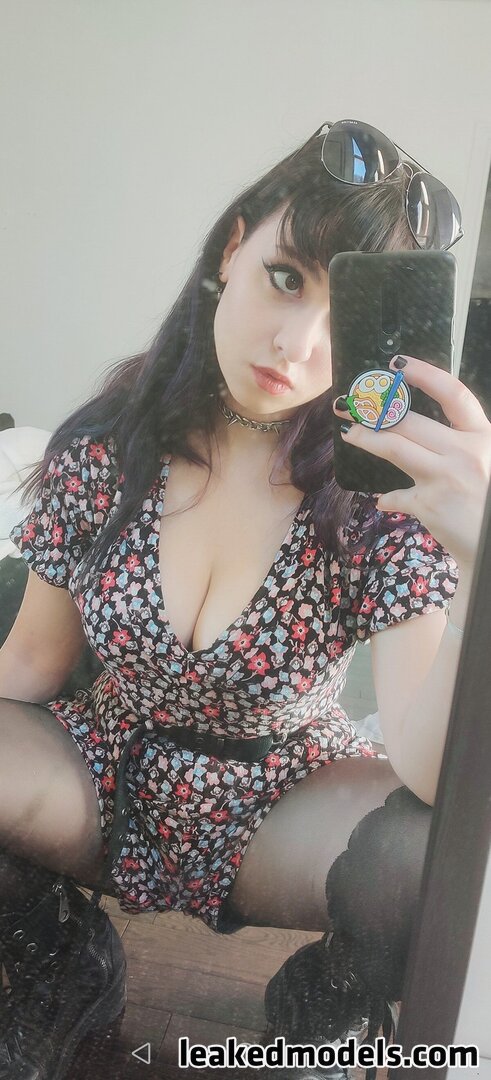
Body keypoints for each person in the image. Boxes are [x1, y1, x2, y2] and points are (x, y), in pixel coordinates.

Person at [0, 119, 489, 1079]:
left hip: (280, 798)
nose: (296, 345)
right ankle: (59, 958)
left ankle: (327, 996)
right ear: (233, 247)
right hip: (102, 773)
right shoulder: (106, 447)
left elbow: (429, 772)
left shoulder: (378, 494)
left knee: (430, 862)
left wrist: (479, 562)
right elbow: (31, 663)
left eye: (343, 318)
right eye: (285, 277)